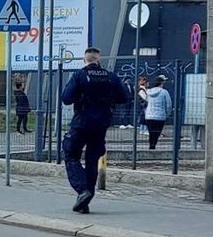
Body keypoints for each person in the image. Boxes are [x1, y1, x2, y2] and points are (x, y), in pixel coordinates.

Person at [60, 47, 129, 214]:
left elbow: (66, 99)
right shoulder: (111, 77)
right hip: (101, 125)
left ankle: (83, 190)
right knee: (92, 160)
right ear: (98, 60)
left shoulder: (79, 75)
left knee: (71, 155)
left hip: (81, 123)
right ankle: (85, 200)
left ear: (85, 60)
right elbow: (124, 98)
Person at [144, 76, 172, 150]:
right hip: (160, 116)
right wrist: (167, 114)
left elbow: (146, 101)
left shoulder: (148, 91)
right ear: (161, 83)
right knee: (157, 132)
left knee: (151, 132)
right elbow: (169, 104)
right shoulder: (164, 92)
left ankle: (151, 145)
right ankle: (153, 144)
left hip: (149, 116)